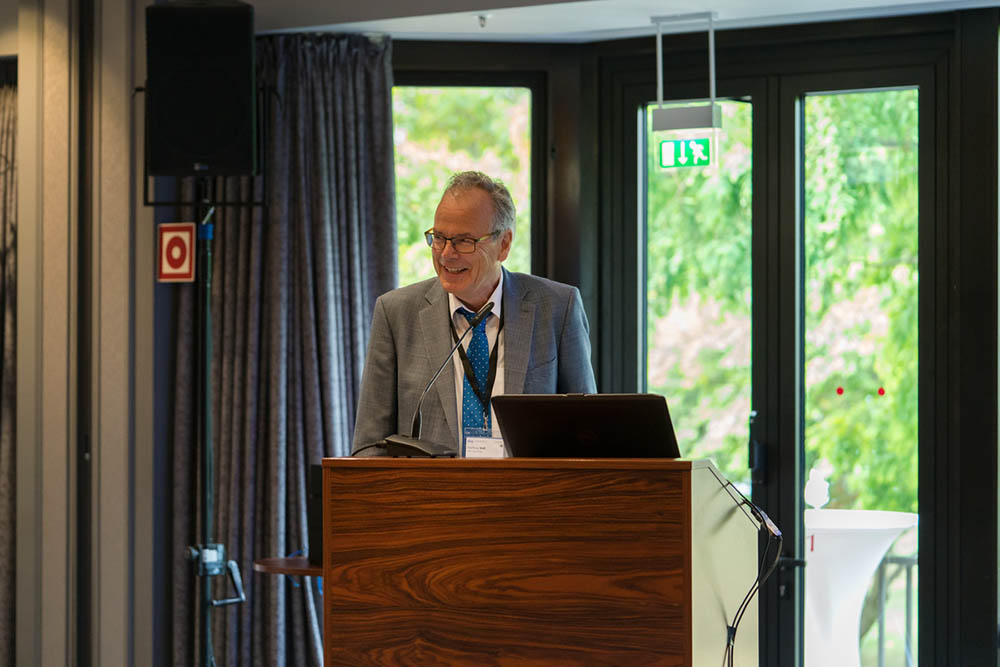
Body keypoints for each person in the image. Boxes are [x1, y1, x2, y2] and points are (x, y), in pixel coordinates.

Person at [351, 171, 596, 456]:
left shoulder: (557, 307)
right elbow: (369, 446)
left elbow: (588, 435)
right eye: (439, 238)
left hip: (529, 484)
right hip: (431, 486)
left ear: (504, 244)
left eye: (463, 241)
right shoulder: (396, 314)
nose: (446, 254)